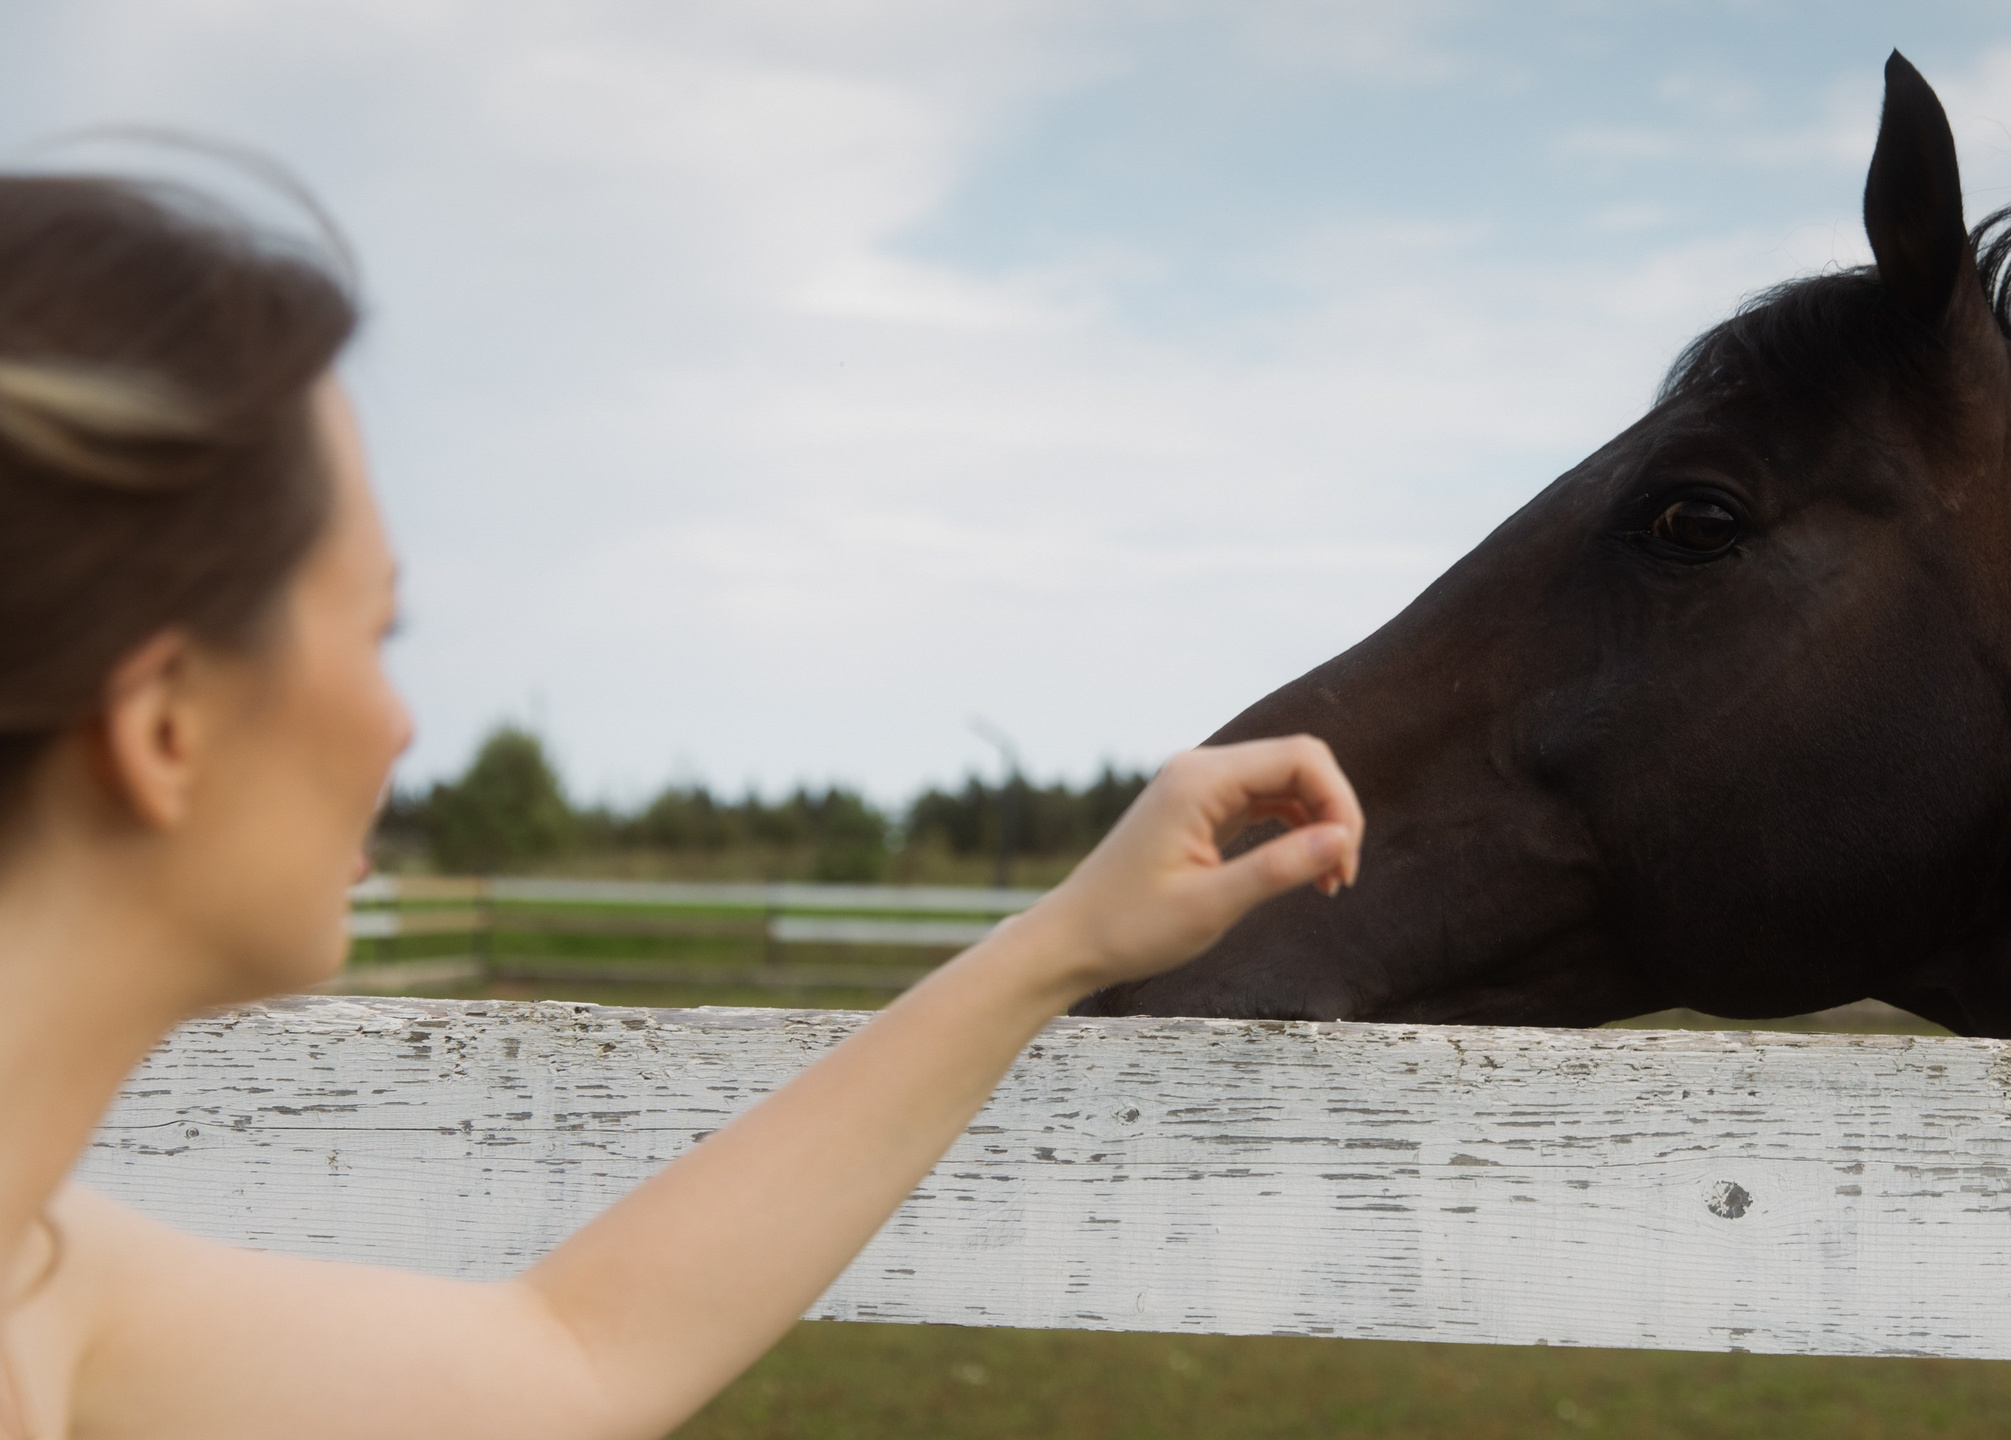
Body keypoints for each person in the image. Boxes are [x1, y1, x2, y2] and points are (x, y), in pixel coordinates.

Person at [0, 171, 1362, 1440]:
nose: (403, 722)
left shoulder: (46, 1283)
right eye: (376, 629)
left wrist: (1061, 942)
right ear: (166, 724)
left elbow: (573, 1360)